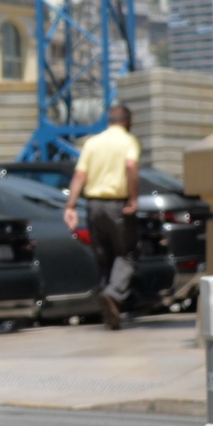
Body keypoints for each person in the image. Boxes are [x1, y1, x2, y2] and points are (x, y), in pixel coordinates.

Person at [63, 104, 141, 330]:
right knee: (127, 253)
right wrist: (134, 198)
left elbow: (80, 174)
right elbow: (131, 165)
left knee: (104, 256)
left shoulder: (92, 143)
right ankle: (113, 294)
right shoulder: (128, 141)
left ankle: (110, 310)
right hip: (118, 206)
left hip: (94, 206)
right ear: (127, 121)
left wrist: (70, 205)